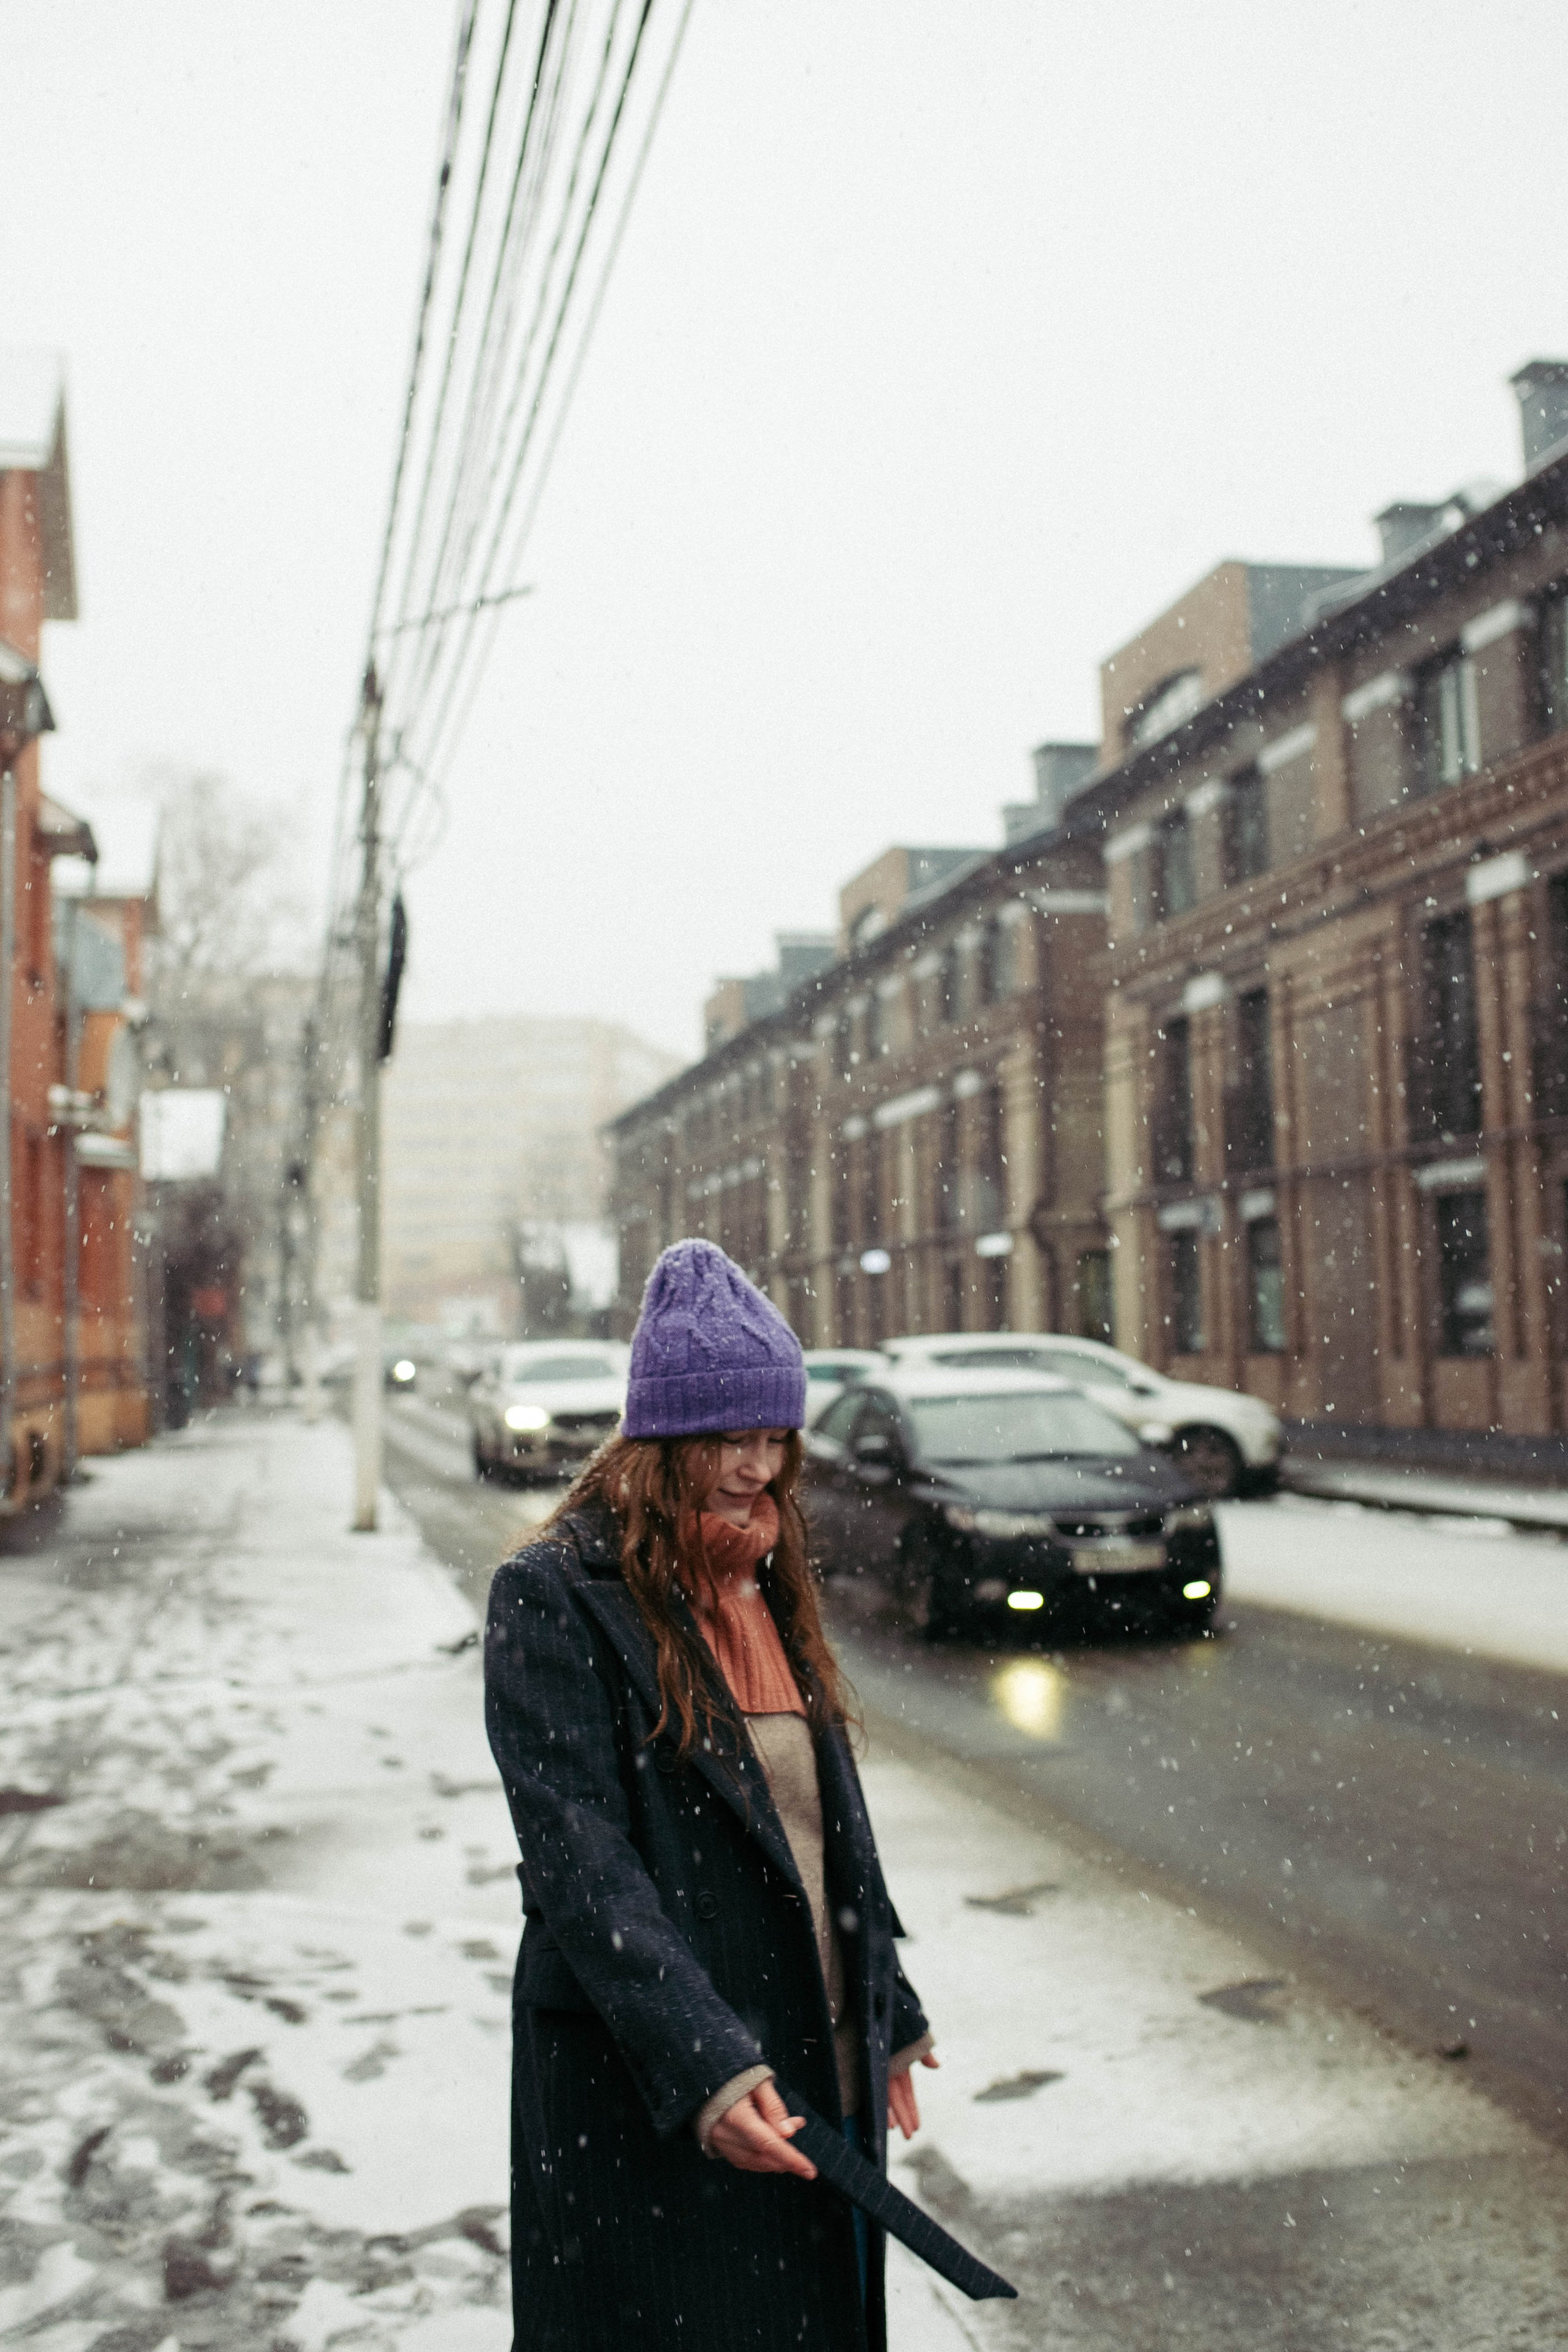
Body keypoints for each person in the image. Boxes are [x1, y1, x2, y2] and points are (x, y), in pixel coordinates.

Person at [484, 1238, 937, 2352]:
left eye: (776, 1437)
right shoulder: (555, 1598)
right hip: (656, 2087)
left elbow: (818, 1828)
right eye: (730, 1438)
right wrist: (705, 2062)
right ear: (661, 1440)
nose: (758, 1464)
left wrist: (887, 1997)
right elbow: (581, 1861)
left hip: (802, 2055)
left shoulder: (763, 1576)